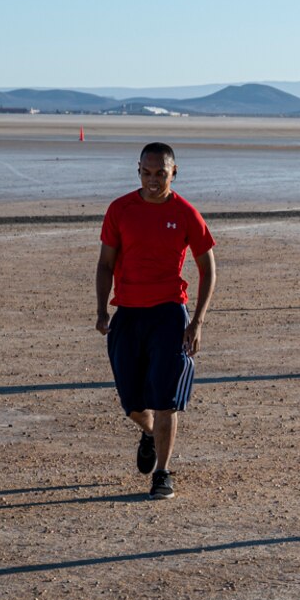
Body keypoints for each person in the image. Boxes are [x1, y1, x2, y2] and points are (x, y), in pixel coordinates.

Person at [95, 142, 217, 500]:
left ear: (173, 173)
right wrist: (103, 309)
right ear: (138, 171)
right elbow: (105, 264)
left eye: (160, 173)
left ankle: (162, 472)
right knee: (132, 402)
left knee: (165, 400)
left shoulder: (185, 213)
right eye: (146, 173)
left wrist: (197, 321)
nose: (153, 180)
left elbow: (208, 268)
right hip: (128, 314)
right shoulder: (120, 210)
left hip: (168, 313)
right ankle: (148, 432)